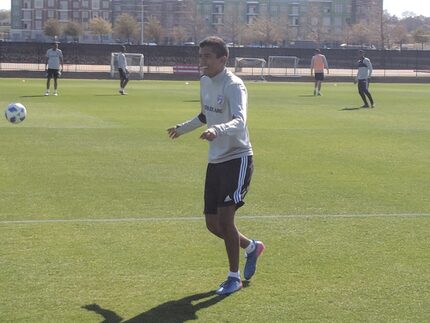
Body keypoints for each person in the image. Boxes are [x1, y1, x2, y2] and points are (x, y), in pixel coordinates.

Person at [167, 36, 265, 296]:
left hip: (238, 157)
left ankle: (234, 278)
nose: (202, 61)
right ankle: (252, 247)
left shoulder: (234, 85)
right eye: (200, 56)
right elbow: (205, 114)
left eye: (207, 57)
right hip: (216, 159)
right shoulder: (204, 81)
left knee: (226, 219)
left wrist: (217, 129)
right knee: (213, 224)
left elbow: (240, 121)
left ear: (223, 59)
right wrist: (182, 128)